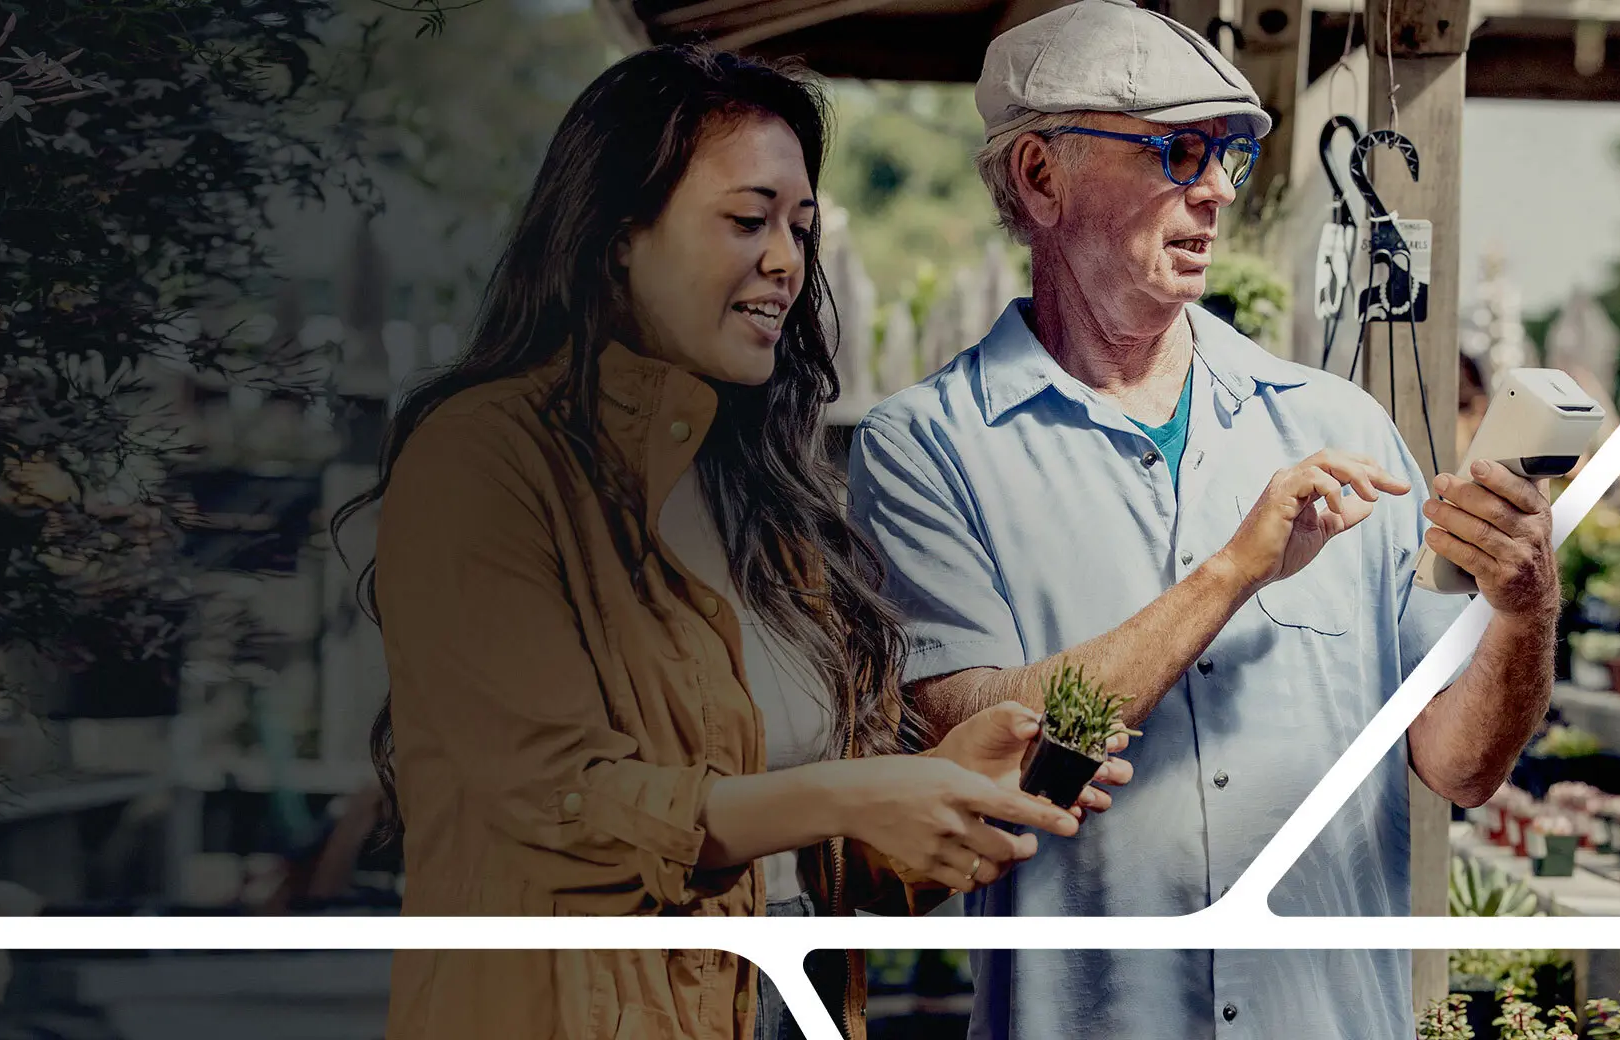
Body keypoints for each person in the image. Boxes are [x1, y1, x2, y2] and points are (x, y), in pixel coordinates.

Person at [342, 46, 1121, 1040]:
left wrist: (946, 789)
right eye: (749, 220)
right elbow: (556, 802)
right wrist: (859, 788)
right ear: (618, 236)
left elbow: (821, 869)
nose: (788, 261)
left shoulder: (760, 490)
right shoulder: (482, 462)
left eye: (801, 227)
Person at [845, 2, 1563, 1037]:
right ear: (1042, 177)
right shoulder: (927, 447)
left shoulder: (1336, 420)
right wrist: (1230, 573)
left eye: (1227, 153)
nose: (1220, 188)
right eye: (1177, 151)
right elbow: (979, 740)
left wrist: (1525, 604)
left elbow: (1460, 762)